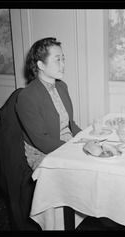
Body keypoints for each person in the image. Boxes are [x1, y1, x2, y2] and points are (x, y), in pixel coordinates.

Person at [16, 37, 81, 171]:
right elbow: (42, 141)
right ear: (41, 65)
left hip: (67, 144)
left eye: (63, 59)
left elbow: (70, 124)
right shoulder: (27, 97)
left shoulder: (62, 86)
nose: (63, 64)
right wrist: (77, 147)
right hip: (43, 154)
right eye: (58, 60)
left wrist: (87, 137)